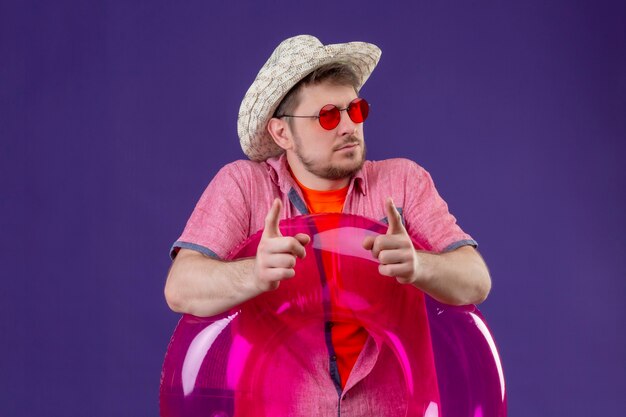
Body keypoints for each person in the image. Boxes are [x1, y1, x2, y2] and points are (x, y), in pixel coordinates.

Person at [164, 35, 491, 416]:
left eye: (356, 110)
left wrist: (420, 265)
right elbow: (180, 287)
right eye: (328, 116)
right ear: (281, 133)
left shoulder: (403, 182)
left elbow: (476, 280)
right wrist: (254, 273)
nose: (349, 126)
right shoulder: (244, 186)